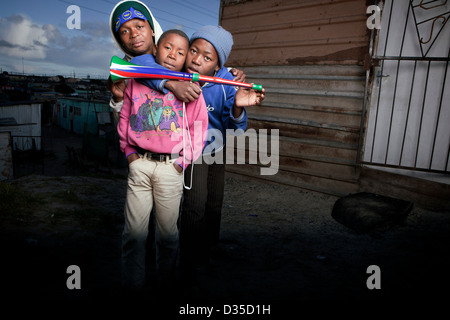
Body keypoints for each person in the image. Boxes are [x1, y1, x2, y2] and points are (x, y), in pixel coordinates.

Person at [117, 27, 209, 291]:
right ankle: (132, 287)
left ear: (185, 59)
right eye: (168, 47)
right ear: (155, 48)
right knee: (133, 235)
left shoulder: (192, 90)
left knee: (167, 237)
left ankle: (164, 286)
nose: (173, 55)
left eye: (181, 52)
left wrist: (183, 162)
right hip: (140, 165)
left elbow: (200, 130)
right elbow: (125, 117)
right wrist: (130, 154)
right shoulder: (137, 80)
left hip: (171, 168)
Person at [177, 25, 265, 286]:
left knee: (214, 202)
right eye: (194, 51)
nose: (196, 60)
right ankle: (188, 260)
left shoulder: (227, 83)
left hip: (217, 148)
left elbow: (236, 129)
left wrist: (238, 106)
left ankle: (207, 249)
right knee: (195, 205)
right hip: (192, 151)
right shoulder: (175, 76)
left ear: (218, 67)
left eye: (207, 57)